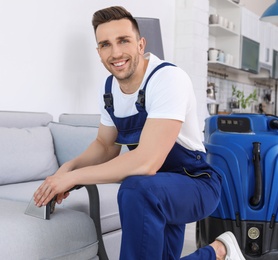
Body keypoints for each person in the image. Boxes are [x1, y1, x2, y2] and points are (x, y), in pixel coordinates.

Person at [33, 6, 245, 260]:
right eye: (105, 45)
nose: (116, 52)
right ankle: (220, 252)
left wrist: (75, 177)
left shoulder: (167, 79)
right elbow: (104, 144)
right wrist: (67, 169)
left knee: (135, 188)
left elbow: (147, 161)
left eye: (123, 41)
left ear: (140, 44)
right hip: (156, 187)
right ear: (99, 52)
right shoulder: (109, 89)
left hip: (194, 183)